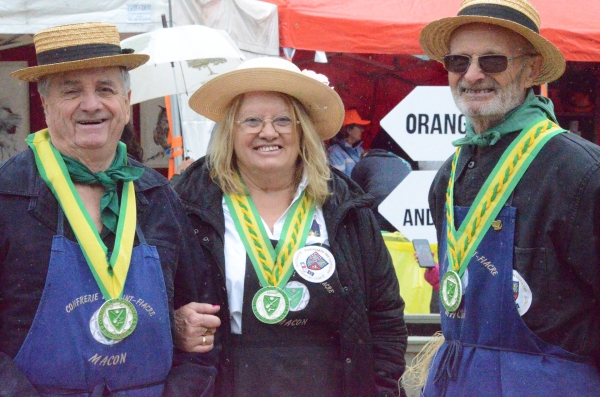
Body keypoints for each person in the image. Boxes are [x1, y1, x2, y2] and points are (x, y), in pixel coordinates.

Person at [0, 22, 219, 395]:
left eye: (105, 89)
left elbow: (201, 321)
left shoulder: (159, 195)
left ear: (126, 98)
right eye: (72, 92)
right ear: (45, 104)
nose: (91, 104)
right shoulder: (7, 195)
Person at [172, 57, 408, 397]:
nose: (268, 132)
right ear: (229, 131)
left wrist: (381, 388)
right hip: (229, 384)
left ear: (303, 130)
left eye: (283, 120)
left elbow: (385, 315)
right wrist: (174, 325)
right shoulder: (187, 205)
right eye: (251, 120)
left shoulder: (346, 206)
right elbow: (155, 300)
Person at [419, 0, 600, 395]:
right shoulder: (450, 174)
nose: (472, 75)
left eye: (493, 61)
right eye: (457, 61)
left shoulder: (582, 172)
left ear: (530, 69)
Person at [351, 130, 412, 232]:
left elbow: (354, 197)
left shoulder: (362, 164)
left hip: (377, 216)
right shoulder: (403, 162)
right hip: (406, 215)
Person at [327, 109, 370, 175]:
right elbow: (339, 181)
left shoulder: (360, 150)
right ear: (349, 130)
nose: (362, 130)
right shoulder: (335, 152)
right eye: (359, 127)